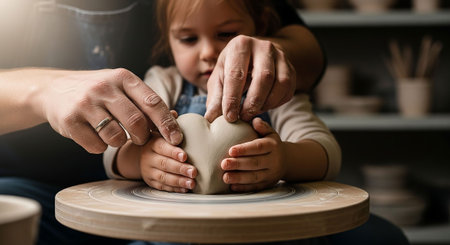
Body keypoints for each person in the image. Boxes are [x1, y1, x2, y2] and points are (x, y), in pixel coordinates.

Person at [0, 0, 327, 244]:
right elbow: (116, 154)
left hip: (250, 219)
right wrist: (143, 159)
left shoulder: (274, 93)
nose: (208, 52)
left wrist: (283, 159)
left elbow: (325, 150)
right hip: (108, 198)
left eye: (225, 34)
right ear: (167, 43)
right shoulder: (162, 83)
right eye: (188, 39)